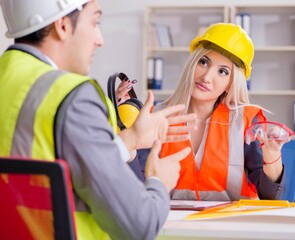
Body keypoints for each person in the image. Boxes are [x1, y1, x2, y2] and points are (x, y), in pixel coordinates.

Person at [0, 0, 196, 239]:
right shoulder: (73, 95)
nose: (99, 39)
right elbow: (138, 225)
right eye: (95, 22)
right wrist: (158, 182)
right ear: (62, 25)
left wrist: (130, 139)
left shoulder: (10, 80)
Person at [135, 22, 288, 201]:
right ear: (192, 63)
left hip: (229, 226)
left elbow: (270, 197)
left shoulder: (245, 121)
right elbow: (137, 186)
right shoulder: (157, 117)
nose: (206, 77)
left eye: (223, 71)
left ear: (231, 83)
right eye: (204, 62)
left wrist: (272, 156)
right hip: (167, 223)